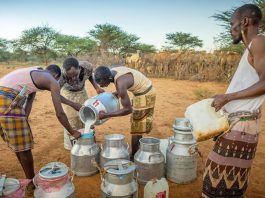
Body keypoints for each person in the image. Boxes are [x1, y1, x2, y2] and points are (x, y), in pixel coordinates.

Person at [202, 4, 265, 198]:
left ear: (245, 22)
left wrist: (228, 97)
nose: (231, 29)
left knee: (218, 184)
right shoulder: (252, 47)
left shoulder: (259, 42)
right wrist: (224, 96)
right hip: (237, 125)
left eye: (232, 24)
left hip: (243, 126)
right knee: (224, 183)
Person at [0, 65, 82, 196]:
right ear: (56, 76)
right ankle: (31, 184)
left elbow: (30, 101)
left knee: (18, 145)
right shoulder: (52, 80)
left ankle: (29, 181)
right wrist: (73, 132)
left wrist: (23, 119)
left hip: (4, 99)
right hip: (6, 100)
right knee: (24, 148)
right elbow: (59, 113)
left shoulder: (34, 74)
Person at [94, 65, 156, 159]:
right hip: (141, 90)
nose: (101, 86)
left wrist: (106, 115)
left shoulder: (120, 82)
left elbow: (128, 109)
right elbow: (123, 87)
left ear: (108, 78)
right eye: (98, 83)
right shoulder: (111, 72)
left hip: (146, 94)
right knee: (137, 122)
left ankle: (134, 157)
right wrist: (115, 93)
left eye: (101, 83)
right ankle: (138, 149)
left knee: (136, 128)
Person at [59, 57, 104, 150]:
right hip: (67, 94)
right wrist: (72, 104)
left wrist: (96, 87)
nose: (73, 78)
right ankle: (74, 147)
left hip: (82, 92)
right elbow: (55, 95)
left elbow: (90, 75)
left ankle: (90, 143)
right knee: (72, 120)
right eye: (70, 76)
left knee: (88, 116)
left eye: (75, 74)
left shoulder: (87, 67)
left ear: (79, 68)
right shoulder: (60, 76)